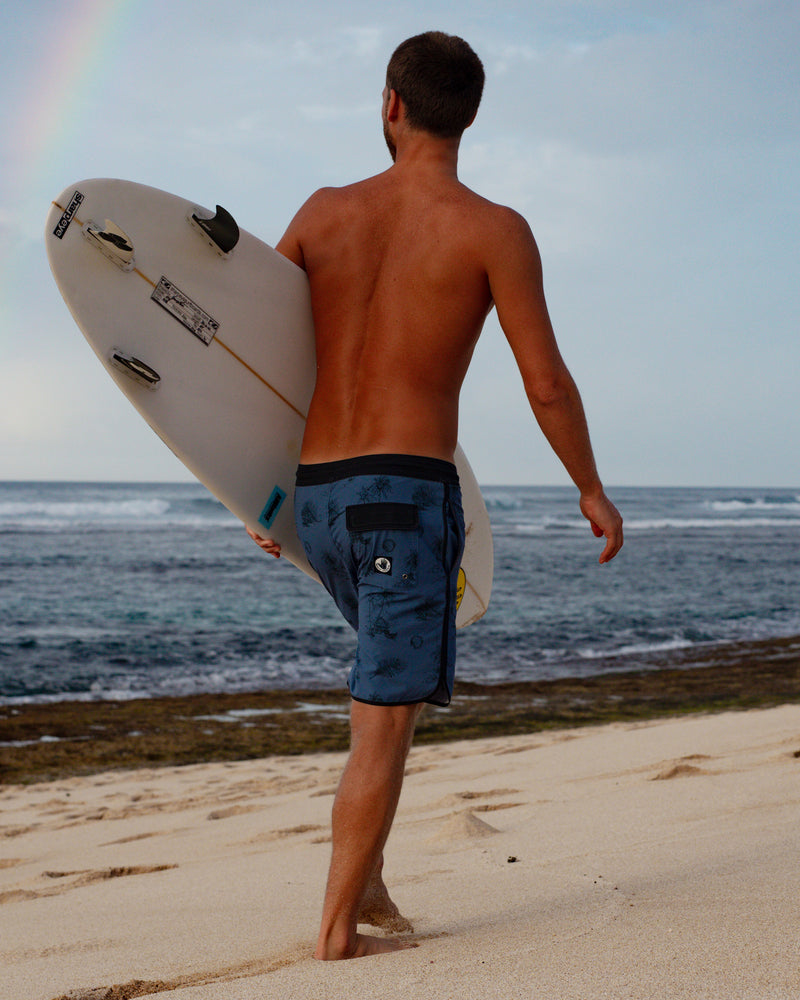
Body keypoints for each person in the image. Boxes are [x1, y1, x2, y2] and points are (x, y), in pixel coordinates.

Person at [248, 31, 623, 960]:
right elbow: (546, 384)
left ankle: (368, 879)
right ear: (470, 116)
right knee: (384, 719)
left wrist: (256, 491)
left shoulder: (323, 211)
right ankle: (337, 933)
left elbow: (256, 352)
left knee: (388, 690)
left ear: (391, 105)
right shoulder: (493, 229)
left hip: (318, 499)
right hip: (404, 502)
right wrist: (590, 488)